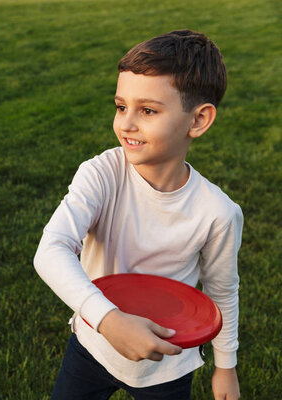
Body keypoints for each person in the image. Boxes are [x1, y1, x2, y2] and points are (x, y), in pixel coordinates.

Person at [34, 30, 242, 400]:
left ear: (198, 121)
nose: (126, 123)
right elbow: (51, 250)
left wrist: (225, 367)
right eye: (120, 106)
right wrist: (108, 321)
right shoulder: (101, 174)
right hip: (93, 341)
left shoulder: (218, 212)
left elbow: (221, 291)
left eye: (147, 110)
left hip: (167, 359)